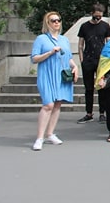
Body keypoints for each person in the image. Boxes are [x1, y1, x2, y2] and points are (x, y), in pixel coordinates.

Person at [30, 12, 78, 151]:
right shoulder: (41, 39)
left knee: (57, 104)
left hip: (61, 74)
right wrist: (50, 52)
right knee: (48, 105)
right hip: (46, 74)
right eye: (53, 20)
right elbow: (34, 58)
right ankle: (40, 137)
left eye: (58, 20)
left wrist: (74, 67)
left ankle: (50, 133)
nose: (56, 23)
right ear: (48, 23)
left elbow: (67, 58)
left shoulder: (64, 39)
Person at [76, 3, 110, 124]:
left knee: (102, 86)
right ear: (92, 14)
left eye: (100, 16)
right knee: (88, 88)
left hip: (101, 60)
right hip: (88, 59)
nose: (98, 18)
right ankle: (89, 113)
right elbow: (81, 44)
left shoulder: (105, 26)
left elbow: (109, 42)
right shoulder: (84, 26)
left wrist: (108, 59)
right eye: (96, 16)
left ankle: (102, 112)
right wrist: (81, 58)